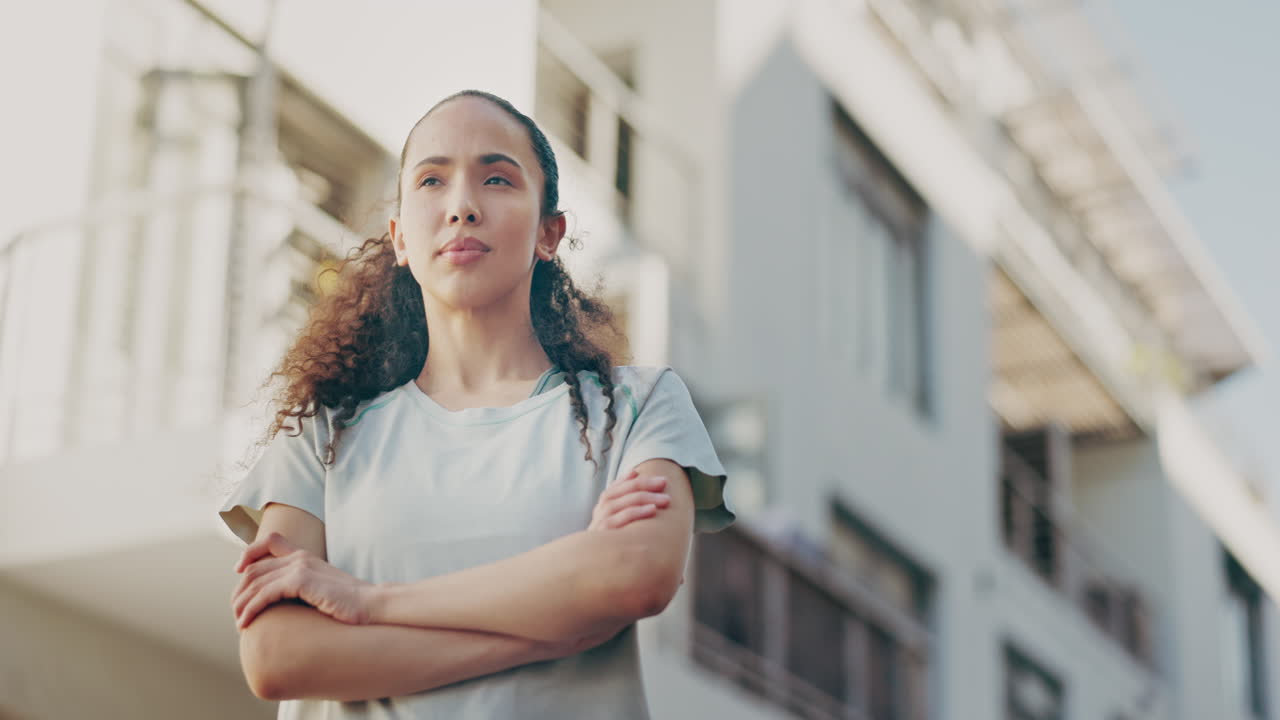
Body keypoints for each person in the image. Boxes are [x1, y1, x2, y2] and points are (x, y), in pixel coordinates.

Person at [217, 89, 734, 719]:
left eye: (496, 179)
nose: (462, 207)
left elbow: (633, 575)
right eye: (432, 180)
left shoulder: (635, 408)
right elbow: (279, 658)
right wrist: (561, 621)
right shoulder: (324, 435)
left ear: (550, 232)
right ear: (400, 237)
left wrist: (370, 603)